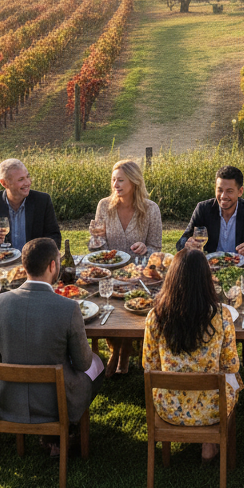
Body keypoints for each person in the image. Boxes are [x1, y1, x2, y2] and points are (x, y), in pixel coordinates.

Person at [0, 238, 105, 455]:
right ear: (53, 266)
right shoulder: (69, 308)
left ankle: (52, 438)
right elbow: (83, 362)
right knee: (97, 364)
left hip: (10, 401)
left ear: (24, 267)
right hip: (55, 405)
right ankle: (69, 429)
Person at [142, 248, 242, 461]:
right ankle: (209, 444)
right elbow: (231, 366)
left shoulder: (156, 316)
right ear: (206, 280)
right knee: (234, 379)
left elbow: (149, 366)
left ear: (172, 278)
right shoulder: (221, 316)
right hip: (213, 408)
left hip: (167, 406)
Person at [87, 158, 162, 376]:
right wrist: (97, 238)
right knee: (108, 306)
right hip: (109, 274)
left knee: (133, 309)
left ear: (134, 182)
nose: (115, 185)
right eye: (113, 180)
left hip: (138, 273)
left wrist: (144, 248)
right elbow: (96, 250)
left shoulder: (150, 209)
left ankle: (124, 352)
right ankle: (116, 350)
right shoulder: (104, 206)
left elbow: (155, 247)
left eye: (120, 180)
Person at [177, 165, 244, 261]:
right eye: (220, 190)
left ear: (240, 191)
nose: (223, 196)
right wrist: (187, 245)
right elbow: (181, 241)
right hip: (209, 268)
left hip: (240, 269)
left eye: (229, 191)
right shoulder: (203, 209)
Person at [0, 158, 61, 251]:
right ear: (4, 183)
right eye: (21, 179)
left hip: (33, 263)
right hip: (2, 263)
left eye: (28, 176)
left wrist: (36, 254)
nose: (28, 182)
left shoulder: (42, 201)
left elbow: (55, 238)